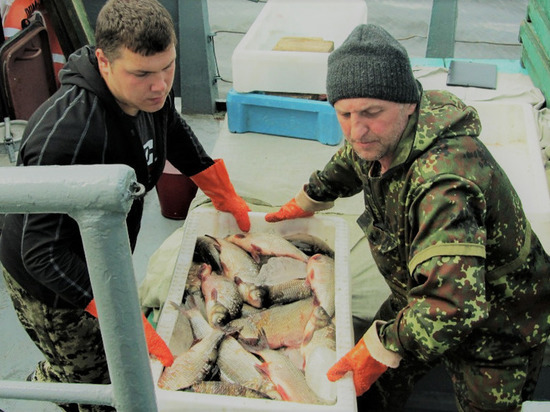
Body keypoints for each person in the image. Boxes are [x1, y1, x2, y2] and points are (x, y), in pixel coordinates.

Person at [265, 24, 550, 411]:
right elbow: (354, 158)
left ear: (409, 103)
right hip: (417, 300)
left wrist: (383, 345)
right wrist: (311, 197)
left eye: (371, 112)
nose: (357, 129)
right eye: (344, 113)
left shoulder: (445, 187)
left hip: (497, 331)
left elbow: (454, 306)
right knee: (370, 392)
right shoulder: (385, 135)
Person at [0, 0, 250, 411]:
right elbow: (41, 252)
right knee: (102, 386)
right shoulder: (68, 135)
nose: (160, 85)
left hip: (100, 256)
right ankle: (57, 378)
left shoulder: (151, 95)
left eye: (168, 67)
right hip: (53, 286)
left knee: (107, 361)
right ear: (104, 61)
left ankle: (57, 371)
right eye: (142, 73)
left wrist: (222, 191)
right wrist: (120, 311)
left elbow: (173, 127)